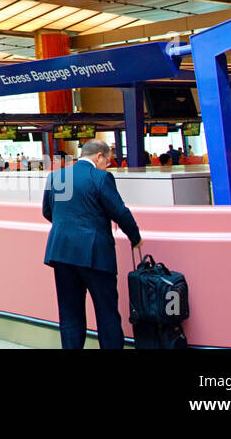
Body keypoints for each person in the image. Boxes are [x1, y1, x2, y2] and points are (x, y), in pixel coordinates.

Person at [42, 139, 141, 350]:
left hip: (61, 252)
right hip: (95, 255)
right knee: (107, 314)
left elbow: (47, 212)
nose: (108, 165)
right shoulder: (100, 177)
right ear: (99, 157)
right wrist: (135, 237)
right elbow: (119, 212)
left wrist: (68, 229)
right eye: (108, 161)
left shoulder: (56, 176)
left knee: (69, 314)